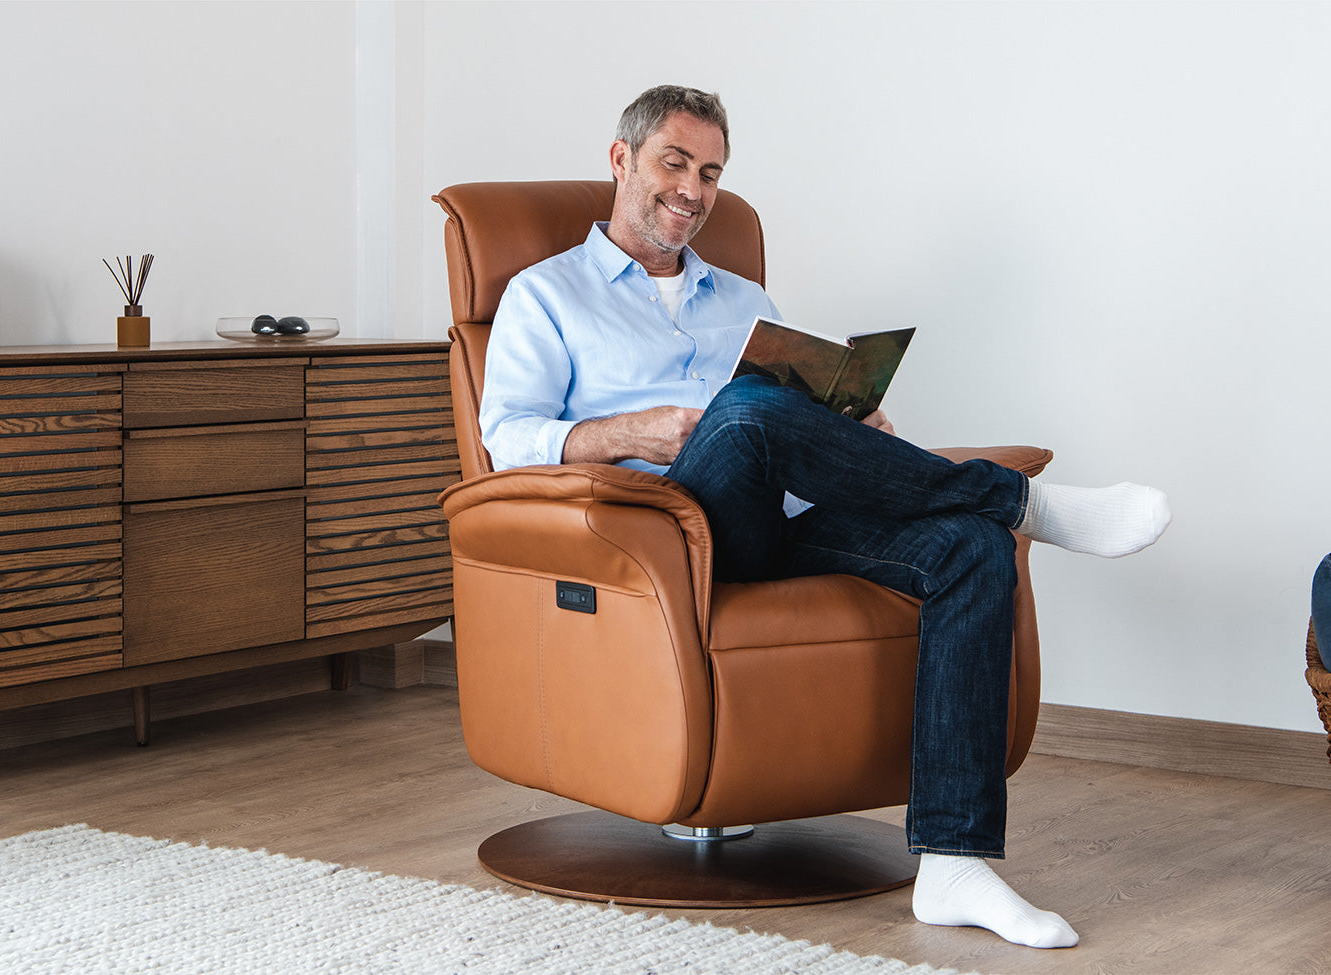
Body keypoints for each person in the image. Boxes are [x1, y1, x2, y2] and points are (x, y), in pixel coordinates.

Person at [480, 84, 1171, 950]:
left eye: (711, 172)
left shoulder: (742, 296)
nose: (693, 190)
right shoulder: (546, 296)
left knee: (969, 548)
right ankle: (1029, 501)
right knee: (747, 411)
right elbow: (505, 441)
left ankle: (953, 863)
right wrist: (634, 431)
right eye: (674, 162)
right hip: (665, 542)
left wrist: (848, 425)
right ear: (621, 160)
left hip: (781, 522)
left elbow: (790, 423)